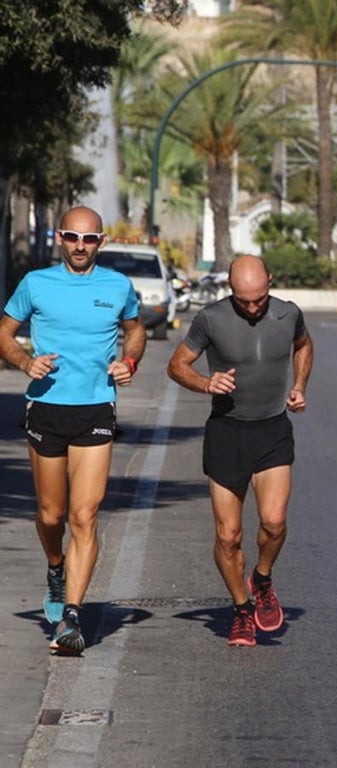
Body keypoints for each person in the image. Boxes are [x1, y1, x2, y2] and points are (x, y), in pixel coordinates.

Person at [0, 206, 146, 655]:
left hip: (96, 409)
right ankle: (55, 566)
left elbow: (135, 330)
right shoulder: (36, 283)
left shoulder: (117, 286)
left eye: (89, 239)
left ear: (101, 242)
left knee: (85, 515)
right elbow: (4, 332)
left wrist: (130, 361)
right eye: (72, 237)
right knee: (50, 515)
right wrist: (25, 362)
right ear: (60, 238)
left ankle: (72, 617)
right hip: (46, 408)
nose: (80, 246)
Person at [166, 255, 312, 647]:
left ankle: (261, 577)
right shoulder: (210, 319)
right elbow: (177, 365)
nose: (251, 308)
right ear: (231, 290)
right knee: (228, 536)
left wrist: (299, 386)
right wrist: (205, 383)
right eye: (242, 300)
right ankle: (242, 609)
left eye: (258, 299)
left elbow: (303, 345)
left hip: (272, 430)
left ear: (270, 282)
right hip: (227, 433)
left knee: (275, 522)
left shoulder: (288, 314)